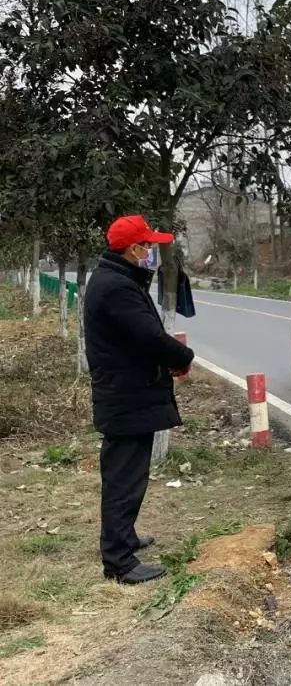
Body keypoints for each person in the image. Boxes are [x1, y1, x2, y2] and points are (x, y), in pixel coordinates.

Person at [84, 215, 195, 584]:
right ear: (133, 249)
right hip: (126, 396)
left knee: (130, 473)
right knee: (124, 479)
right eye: (148, 245)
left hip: (129, 393)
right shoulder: (117, 287)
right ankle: (119, 561)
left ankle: (125, 538)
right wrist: (182, 357)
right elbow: (148, 336)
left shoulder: (117, 278)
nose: (152, 251)